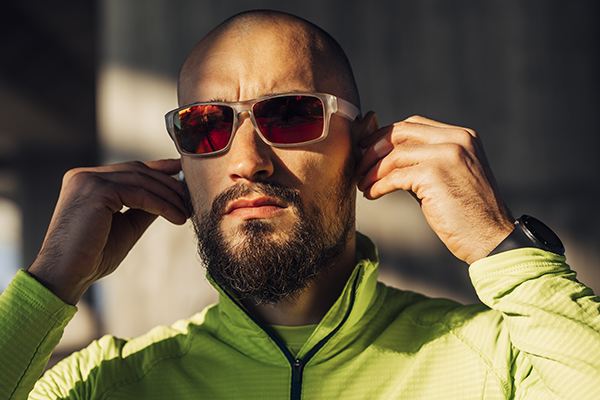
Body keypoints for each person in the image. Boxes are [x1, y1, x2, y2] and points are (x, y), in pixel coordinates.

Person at [1, 9, 599, 400]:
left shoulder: (502, 362)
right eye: (207, 127)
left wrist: (502, 246)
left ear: (363, 140)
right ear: (182, 159)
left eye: (289, 115)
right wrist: (48, 281)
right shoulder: (104, 383)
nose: (246, 161)